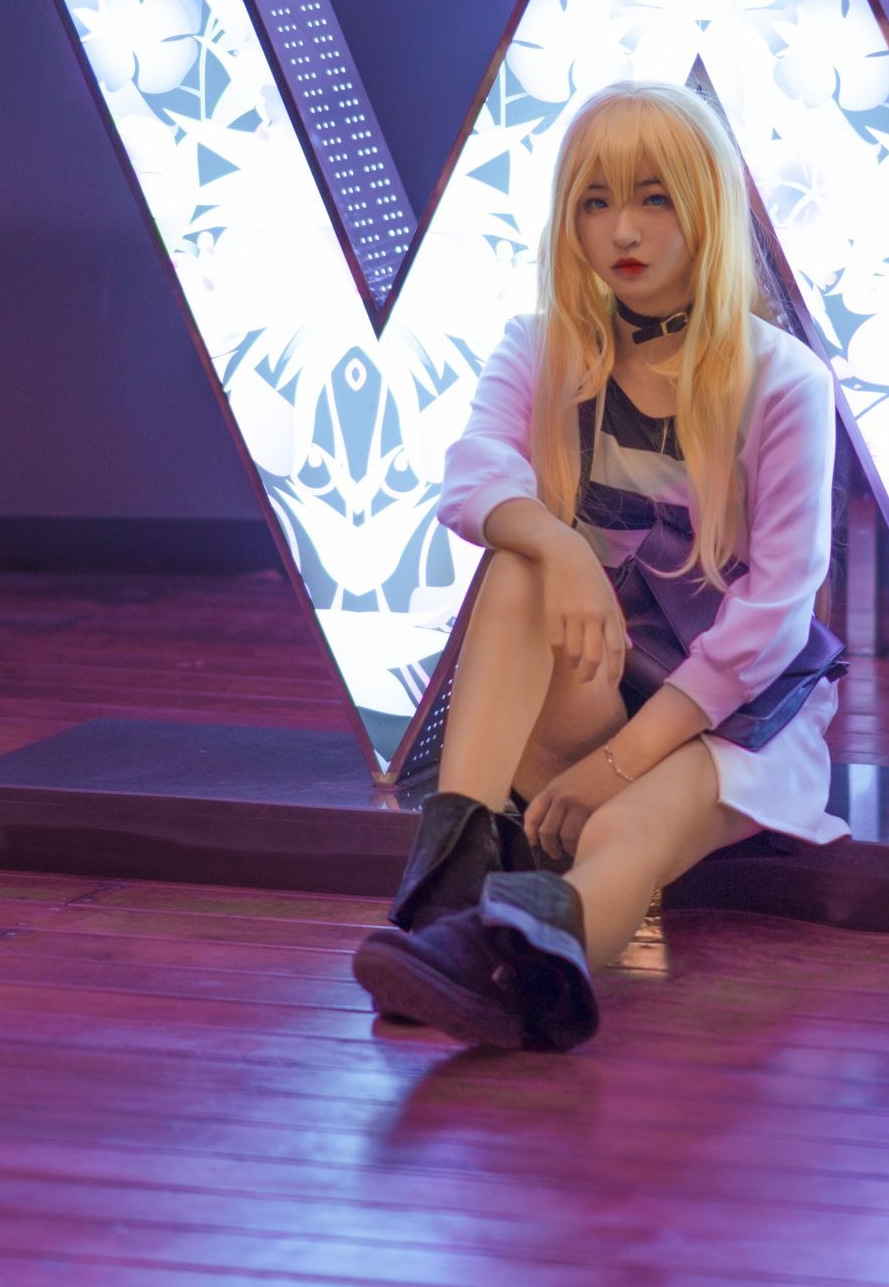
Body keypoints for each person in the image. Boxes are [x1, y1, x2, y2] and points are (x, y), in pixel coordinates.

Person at [351, 80, 847, 1051]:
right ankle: (447, 901)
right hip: (592, 692)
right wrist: (559, 544)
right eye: (596, 201)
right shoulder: (543, 347)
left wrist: (615, 769)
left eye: (656, 199)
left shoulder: (784, 379)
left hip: (730, 721)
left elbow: (773, 619)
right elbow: (473, 476)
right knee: (518, 564)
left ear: (707, 209)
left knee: (623, 834)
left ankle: (510, 981)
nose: (623, 230)